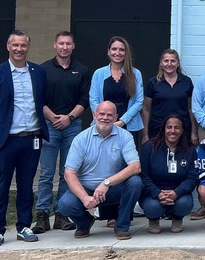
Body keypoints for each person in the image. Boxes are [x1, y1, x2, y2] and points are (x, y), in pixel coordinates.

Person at [0, 30, 49, 248]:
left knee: (26, 185)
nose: (19, 49)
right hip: (5, 140)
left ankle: (23, 226)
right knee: (1, 185)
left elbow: (41, 100)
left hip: (31, 139)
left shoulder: (38, 72)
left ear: (28, 47)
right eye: (15, 45)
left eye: (23, 45)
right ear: (8, 47)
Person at [56, 101, 143, 240]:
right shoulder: (81, 139)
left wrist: (107, 183)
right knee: (65, 205)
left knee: (135, 182)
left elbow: (135, 167)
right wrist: (85, 198)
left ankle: (122, 226)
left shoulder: (125, 136)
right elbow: (69, 173)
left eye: (110, 115)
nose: (105, 118)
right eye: (101, 114)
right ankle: (84, 223)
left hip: (114, 188)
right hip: (88, 189)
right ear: (94, 115)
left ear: (116, 117)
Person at [32, 31, 90, 234]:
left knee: (68, 172)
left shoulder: (81, 70)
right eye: (61, 43)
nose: (65, 47)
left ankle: (61, 215)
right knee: (46, 173)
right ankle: (42, 215)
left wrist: (69, 118)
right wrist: (52, 117)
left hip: (72, 126)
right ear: (55, 45)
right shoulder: (42, 70)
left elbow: (84, 100)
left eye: (68, 44)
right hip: (49, 126)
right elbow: (38, 99)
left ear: (73, 46)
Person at [139, 114, 199, 233]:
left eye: (176, 128)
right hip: (153, 194)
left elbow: (192, 177)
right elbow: (143, 175)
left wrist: (176, 193)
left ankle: (177, 218)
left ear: (182, 131)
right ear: (164, 129)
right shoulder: (149, 147)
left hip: (178, 194)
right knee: (153, 207)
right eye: (169, 127)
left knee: (184, 204)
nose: (172, 131)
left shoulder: (190, 150)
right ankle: (154, 219)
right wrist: (158, 193)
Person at [89, 36, 144, 142]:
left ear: (126, 53)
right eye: (114, 49)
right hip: (103, 125)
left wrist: (122, 121)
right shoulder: (98, 73)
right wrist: (105, 120)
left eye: (121, 50)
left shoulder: (135, 74)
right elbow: (93, 100)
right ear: (108, 52)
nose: (117, 53)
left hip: (129, 125)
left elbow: (139, 101)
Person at [141, 49, 195, 142]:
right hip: (157, 130)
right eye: (166, 61)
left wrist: (193, 132)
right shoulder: (153, 83)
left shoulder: (186, 82)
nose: (169, 64)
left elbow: (191, 108)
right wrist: (145, 134)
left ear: (178, 63)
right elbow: (146, 109)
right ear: (161, 63)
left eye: (173, 61)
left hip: (182, 130)